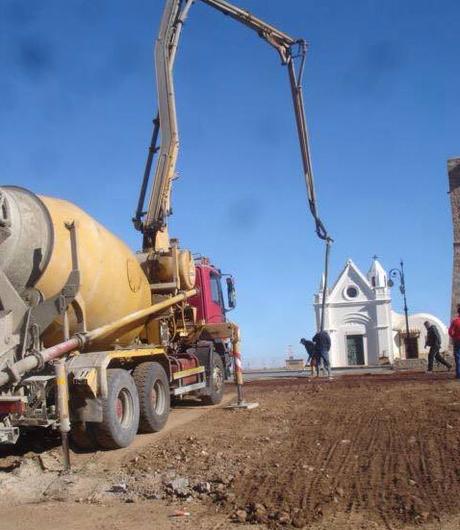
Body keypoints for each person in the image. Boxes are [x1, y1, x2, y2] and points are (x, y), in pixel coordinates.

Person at [448, 306, 460, 380]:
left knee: (458, 357)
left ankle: (458, 374)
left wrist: (453, 336)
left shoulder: (455, 321)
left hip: (457, 340)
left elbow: (450, 331)